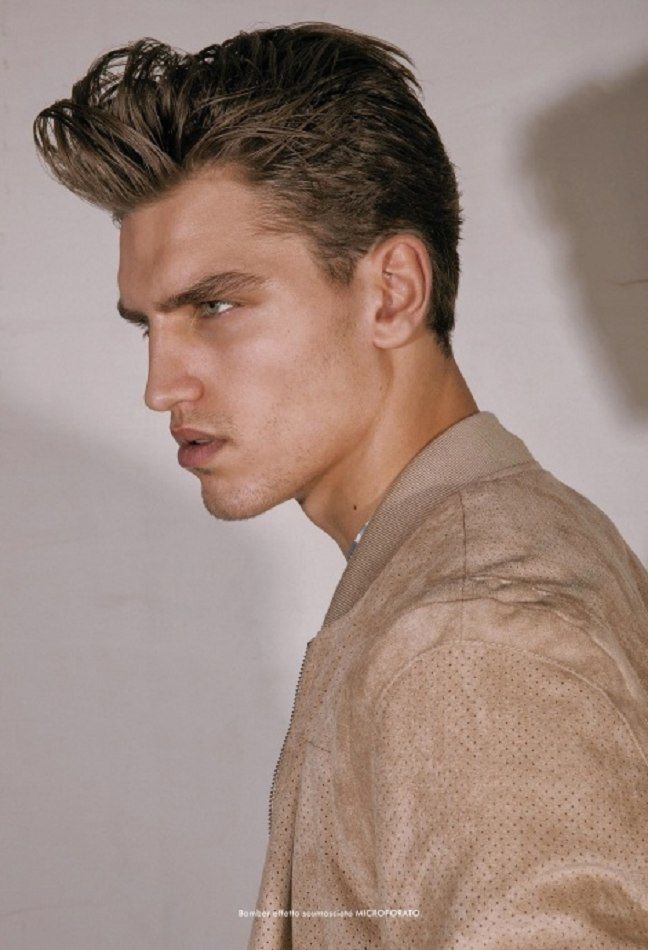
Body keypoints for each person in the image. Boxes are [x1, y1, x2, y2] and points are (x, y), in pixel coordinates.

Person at [33, 22, 648, 949]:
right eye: (147, 325)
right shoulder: (509, 540)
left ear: (392, 291)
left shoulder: (470, 634)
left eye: (215, 305)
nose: (161, 385)